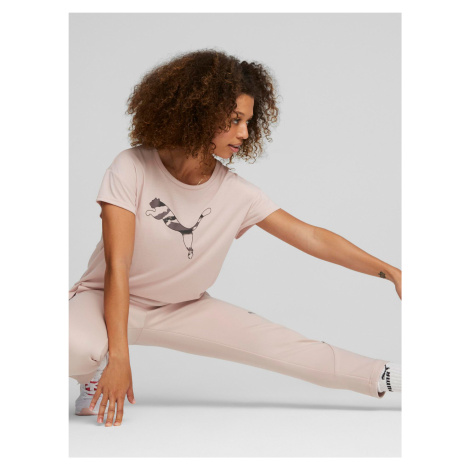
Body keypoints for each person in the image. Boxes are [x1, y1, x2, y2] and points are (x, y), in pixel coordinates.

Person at [69, 49, 402, 427]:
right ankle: (93, 373)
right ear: (197, 113)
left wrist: (391, 271)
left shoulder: (237, 193)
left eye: (248, 122)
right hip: (104, 299)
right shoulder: (131, 167)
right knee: (74, 347)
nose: (244, 133)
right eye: (234, 120)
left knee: (283, 346)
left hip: (183, 309)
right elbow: (118, 265)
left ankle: (391, 376)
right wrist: (119, 358)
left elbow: (311, 236)